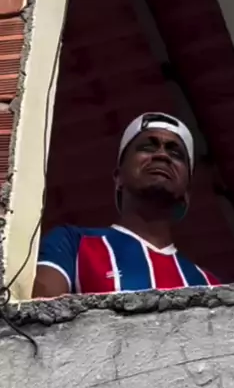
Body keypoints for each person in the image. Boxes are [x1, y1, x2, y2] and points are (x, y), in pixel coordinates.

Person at [33, 112, 220, 297]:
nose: (162, 155)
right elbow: (41, 312)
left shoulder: (210, 286)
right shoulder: (72, 243)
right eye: (147, 147)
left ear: (187, 194)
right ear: (118, 177)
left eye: (176, 153)